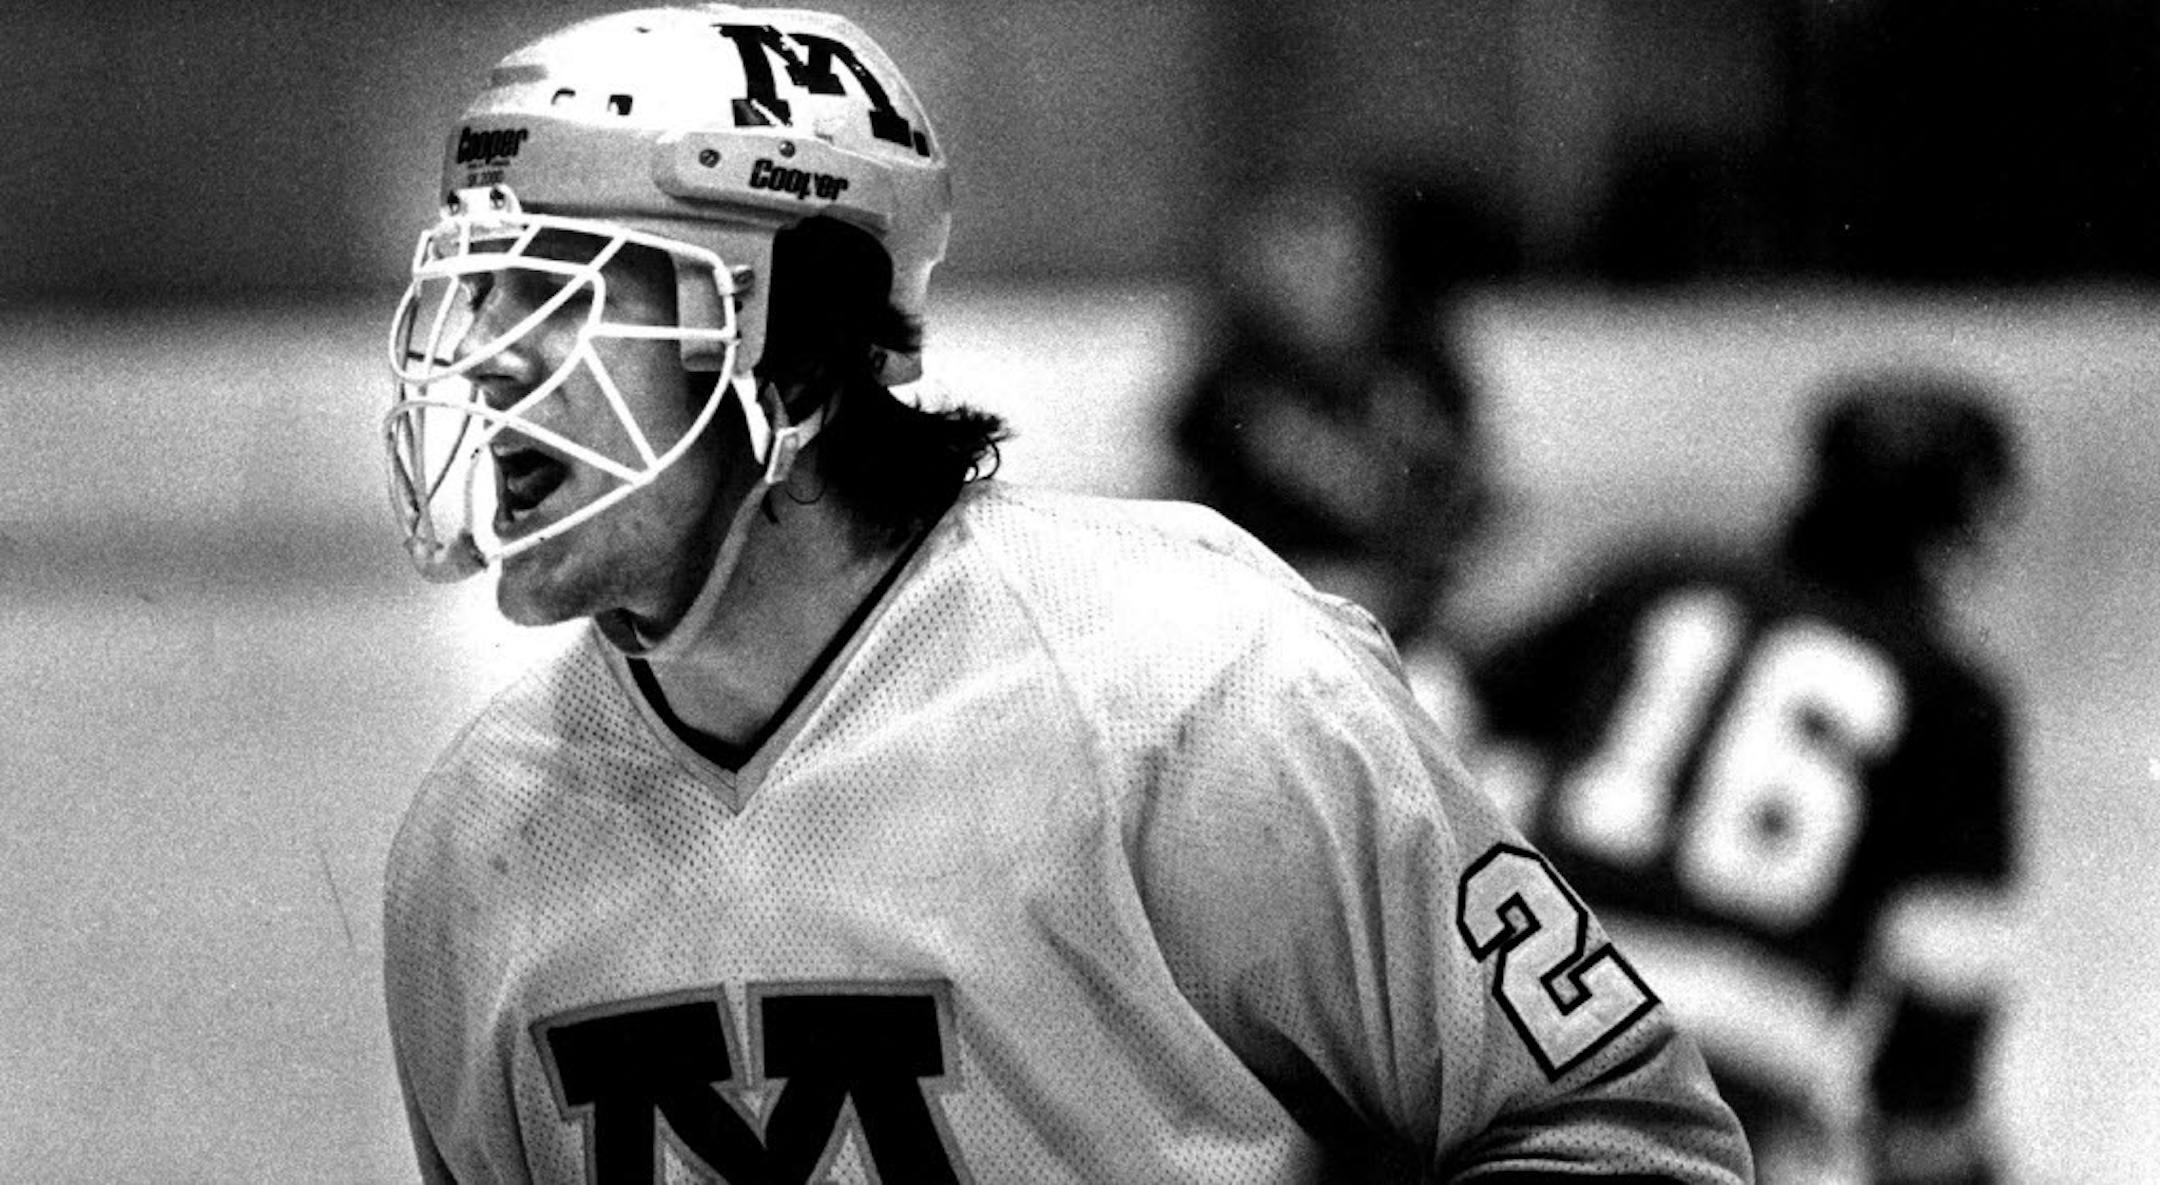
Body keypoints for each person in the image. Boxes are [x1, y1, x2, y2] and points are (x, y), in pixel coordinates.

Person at [378, 7, 1750, 1182]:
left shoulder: (1205, 694)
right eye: (479, 292)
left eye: (556, 292)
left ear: (786, 347)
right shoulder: (473, 846)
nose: (487, 357)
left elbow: (1630, 1143)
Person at [1468, 370, 2023, 1184]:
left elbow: (1428, 711)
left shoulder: (1653, 581)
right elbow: (1945, 981)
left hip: (1522, 1001)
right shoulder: (1952, 698)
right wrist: (1931, 1138)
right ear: (1958, 534)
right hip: (1726, 1074)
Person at [1168, 175, 1498, 730]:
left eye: (1342, 260)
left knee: (1436, 703)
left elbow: (1467, 513)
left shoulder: (1417, 369)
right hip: (1274, 626)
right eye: (1298, 262)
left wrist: (1415, 591)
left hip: (1415, 631)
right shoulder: (1228, 386)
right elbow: (1193, 531)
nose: (1324, 279)